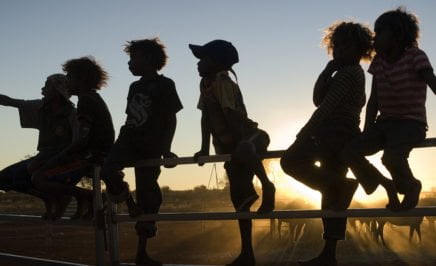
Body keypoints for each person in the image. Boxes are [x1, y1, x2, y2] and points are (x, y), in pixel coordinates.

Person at [280, 22, 373, 266]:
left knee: (290, 161)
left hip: (335, 132)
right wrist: (326, 70)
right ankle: (328, 254)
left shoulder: (351, 73)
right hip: (337, 133)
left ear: (360, 49)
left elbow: (325, 109)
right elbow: (317, 98)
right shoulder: (342, 72)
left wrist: (302, 134)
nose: (338, 50)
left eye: (345, 46)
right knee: (331, 194)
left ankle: (340, 187)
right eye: (336, 45)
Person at [190, 39, 275, 266]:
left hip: (251, 137)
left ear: (217, 63)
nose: (198, 64)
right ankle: (247, 254)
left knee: (246, 149)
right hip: (231, 149)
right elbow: (206, 116)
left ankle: (267, 185)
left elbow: (231, 116)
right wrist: (205, 149)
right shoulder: (205, 84)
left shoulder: (222, 81)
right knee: (241, 202)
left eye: (203, 59)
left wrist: (240, 145)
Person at [342, 7, 436, 211]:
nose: (375, 38)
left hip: (411, 123)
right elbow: (374, 99)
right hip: (384, 124)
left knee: (391, 158)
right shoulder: (379, 61)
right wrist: (367, 128)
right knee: (350, 151)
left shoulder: (416, 56)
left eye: (380, 32)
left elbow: (433, 83)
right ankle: (385, 184)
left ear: (398, 35)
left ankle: (410, 186)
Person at [102, 38, 183, 266]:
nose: (129, 64)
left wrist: (166, 148)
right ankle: (129, 202)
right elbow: (131, 117)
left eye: (132, 59)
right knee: (108, 170)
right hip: (128, 138)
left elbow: (171, 118)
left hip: (151, 144)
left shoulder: (165, 85)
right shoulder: (134, 87)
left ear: (147, 59)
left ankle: (142, 253)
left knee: (149, 195)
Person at [31, 57, 115, 220]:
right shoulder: (92, 98)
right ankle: (85, 199)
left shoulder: (86, 101)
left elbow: (82, 138)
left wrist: (61, 156)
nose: (67, 82)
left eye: (69, 77)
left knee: (39, 177)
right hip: (95, 153)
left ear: (81, 79)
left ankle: (88, 196)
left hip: (92, 155)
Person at [0, 74, 80, 219]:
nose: (43, 90)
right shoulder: (40, 107)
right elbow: (11, 102)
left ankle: (64, 197)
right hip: (44, 156)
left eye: (47, 86)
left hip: (62, 160)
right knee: (4, 178)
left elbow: (77, 143)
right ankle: (49, 199)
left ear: (57, 91)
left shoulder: (72, 114)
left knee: (33, 174)